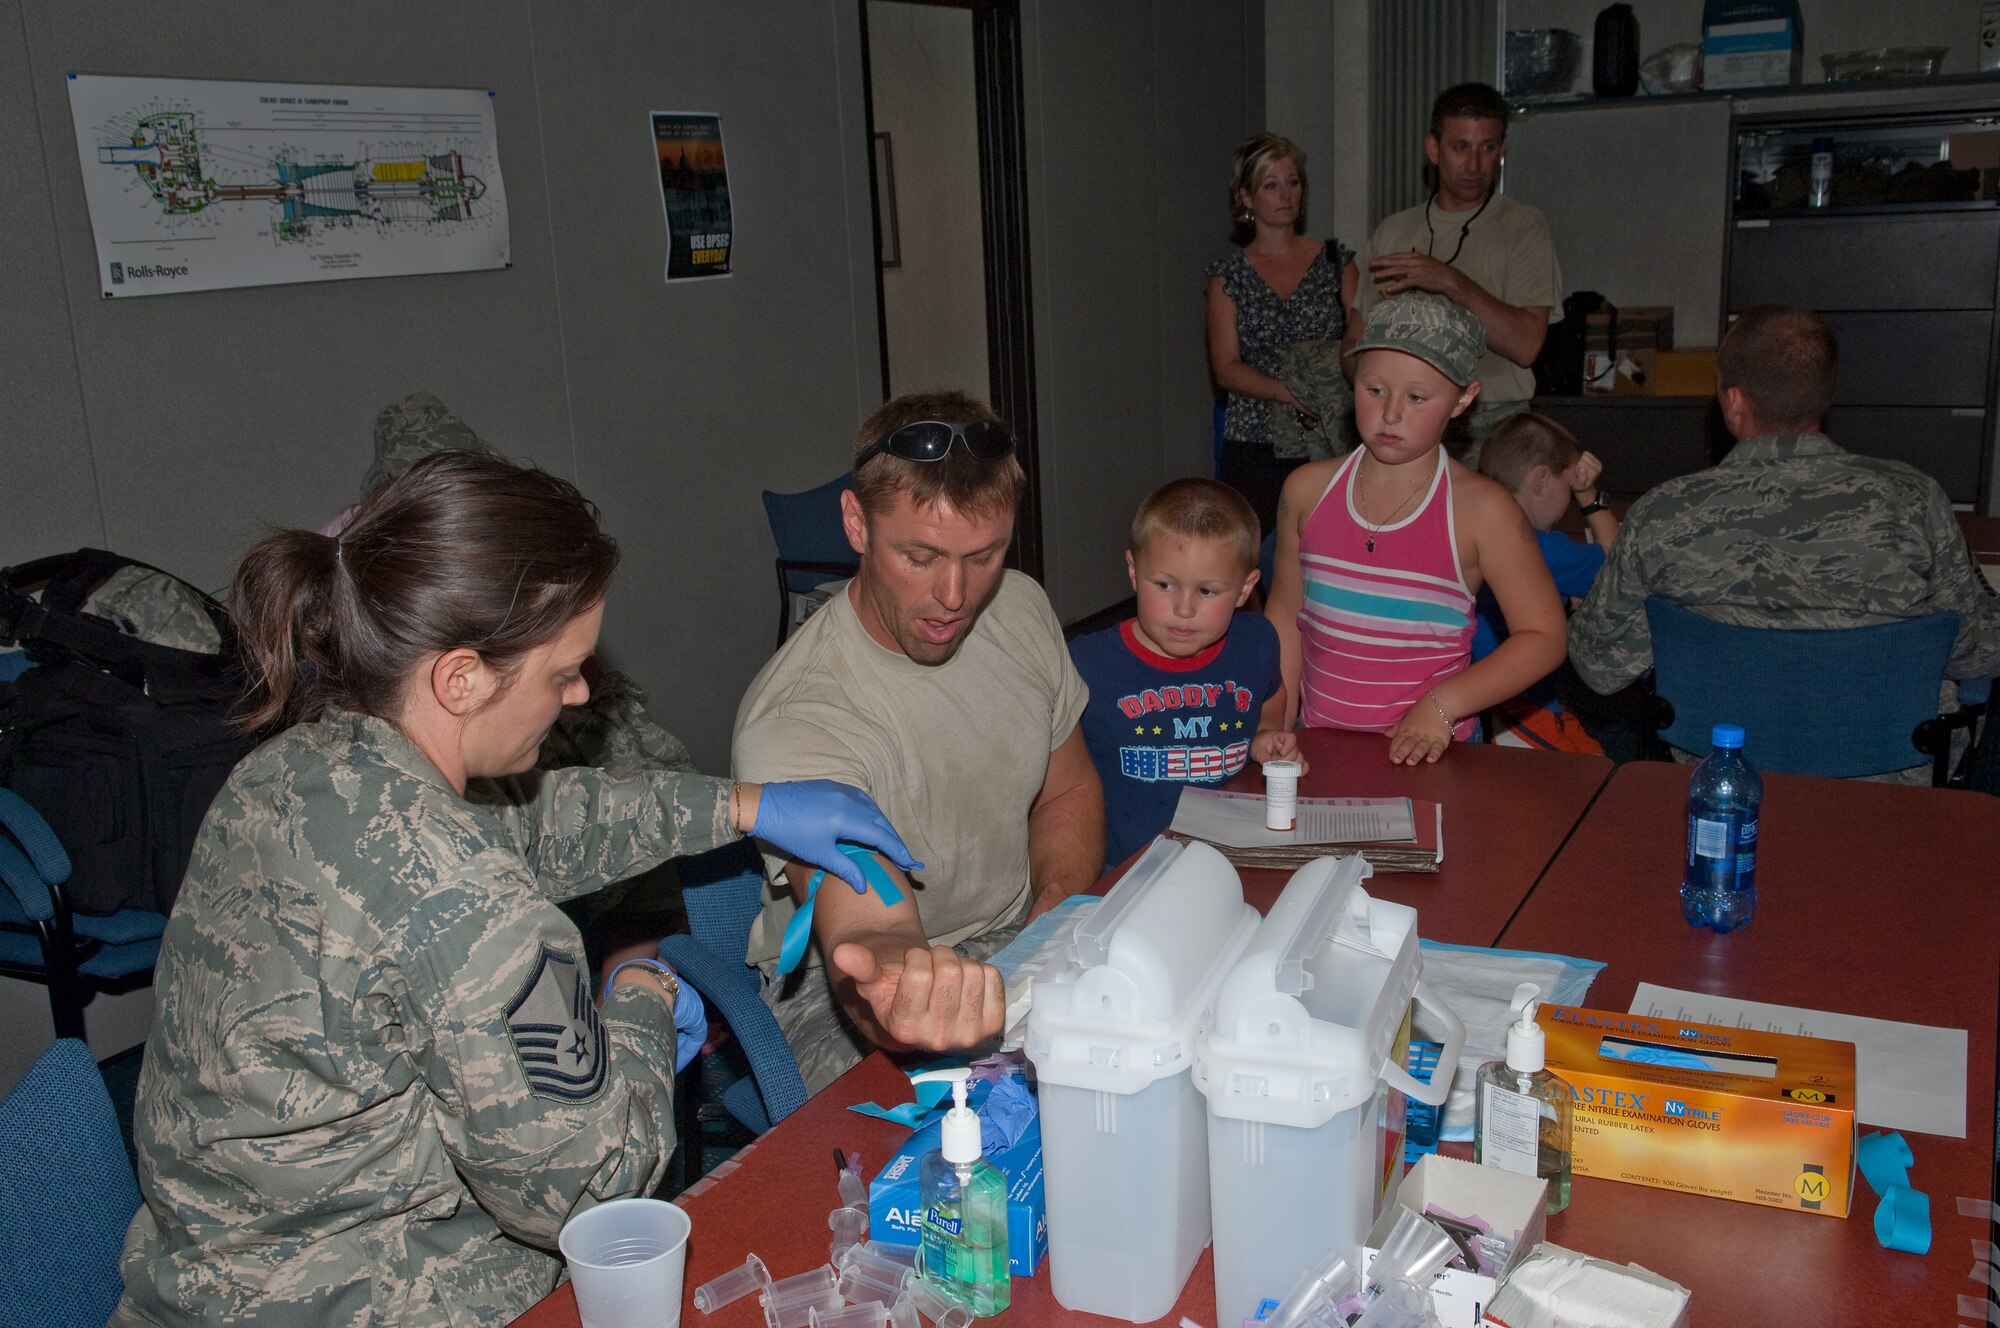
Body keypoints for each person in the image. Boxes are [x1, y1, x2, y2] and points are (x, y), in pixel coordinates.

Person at [114, 451, 915, 1327]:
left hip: (205, 1271)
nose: (579, 693)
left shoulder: (296, 769)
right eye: (561, 669)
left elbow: (532, 821)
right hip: (365, 1294)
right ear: (460, 677)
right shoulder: (470, 904)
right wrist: (641, 1001)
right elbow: (589, 1188)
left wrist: (744, 805)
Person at [733, 390, 1104, 1095]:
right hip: (839, 988)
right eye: (920, 555)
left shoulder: (1019, 607)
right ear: (856, 523)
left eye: (984, 554)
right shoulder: (800, 716)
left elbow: (1070, 789)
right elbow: (867, 935)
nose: (955, 595)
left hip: (1013, 932)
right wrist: (905, 986)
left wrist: (1051, 914)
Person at [1568, 305, 2000, 778]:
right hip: (1891, 788)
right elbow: (1978, 651)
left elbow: (1597, 664)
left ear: (1734, 402)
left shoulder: (1664, 512)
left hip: (1720, 782)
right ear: (1823, 396)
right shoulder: (1916, 500)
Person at [1264, 292, 1566, 765]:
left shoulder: (1484, 511)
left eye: (1418, 397)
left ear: (1464, 398)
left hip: (1430, 758)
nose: (1390, 414)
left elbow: (1545, 636)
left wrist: (1444, 705)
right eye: (1374, 389)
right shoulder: (1305, 492)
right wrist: (1274, 721)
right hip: (1319, 749)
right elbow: (1285, 617)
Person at [1069, 478, 1305, 868]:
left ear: (1245, 589)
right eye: (1164, 585)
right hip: (1123, 871)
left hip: (1233, 860)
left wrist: (1265, 732)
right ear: (1133, 569)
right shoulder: (1086, 663)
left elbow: (1271, 692)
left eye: (1207, 591)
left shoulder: (1257, 641)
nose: (1183, 608)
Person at [1361, 83, 1563, 460]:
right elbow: (1356, 343)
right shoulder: (1393, 231)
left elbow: (1526, 345)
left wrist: (1451, 282)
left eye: (1487, 148)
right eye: (1460, 147)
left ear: (1502, 151)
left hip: (1495, 423)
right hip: (1405, 418)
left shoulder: (1523, 226)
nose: (1474, 165)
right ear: (1433, 149)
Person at [1206, 132, 1364, 532]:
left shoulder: (1336, 263)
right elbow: (1225, 368)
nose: (1285, 194)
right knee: (1254, 551)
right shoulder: (1229, 277)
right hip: (1256, 437)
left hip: (1330, 434)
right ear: (1246, 196)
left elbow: (1361, 342)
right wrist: (1287, 392)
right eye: (1271, 185)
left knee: (1331, 542)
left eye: (1293, 182)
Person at [1472, 410, 1620, 658]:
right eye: (1568, 486)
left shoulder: (1467, 528)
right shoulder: (1541, 549)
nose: (1569, 497)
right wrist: (1588, 495)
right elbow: (1619, 564)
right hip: (1523, 690)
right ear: (1541, 480)